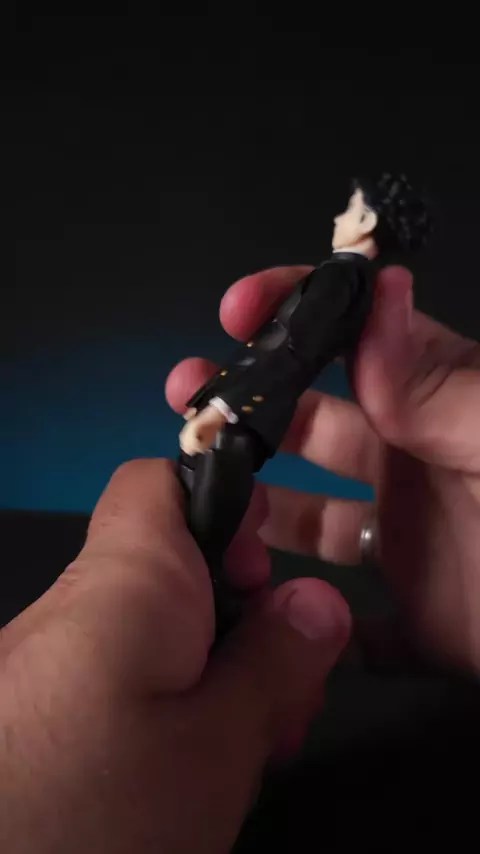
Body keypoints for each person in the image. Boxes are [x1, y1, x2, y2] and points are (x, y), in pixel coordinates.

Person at [1, 264, 479, 853]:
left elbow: (284, 354)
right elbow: (278, 352)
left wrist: (227, 408)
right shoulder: (338, 284)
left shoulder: (343, 283)